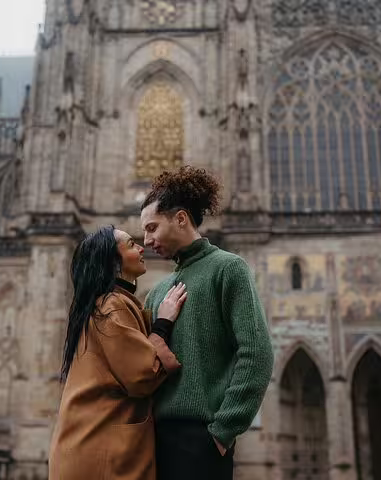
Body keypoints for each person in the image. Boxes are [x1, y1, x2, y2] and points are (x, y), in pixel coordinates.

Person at [140, 166, 274, 480]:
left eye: (152, 228)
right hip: (151, 441)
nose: (146, 240)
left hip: (201, 441)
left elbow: (257, 353)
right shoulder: (157, 291)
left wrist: (222, 432)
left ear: (181, 219)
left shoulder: (229, 268)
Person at [49, 226, 187, 480]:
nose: (141, 247)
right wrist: (163, 323)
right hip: (103, 453)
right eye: (131, 245)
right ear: (113, 263)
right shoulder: (110, 307)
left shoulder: (106, 303)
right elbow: (144, 376)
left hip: (94, 444)